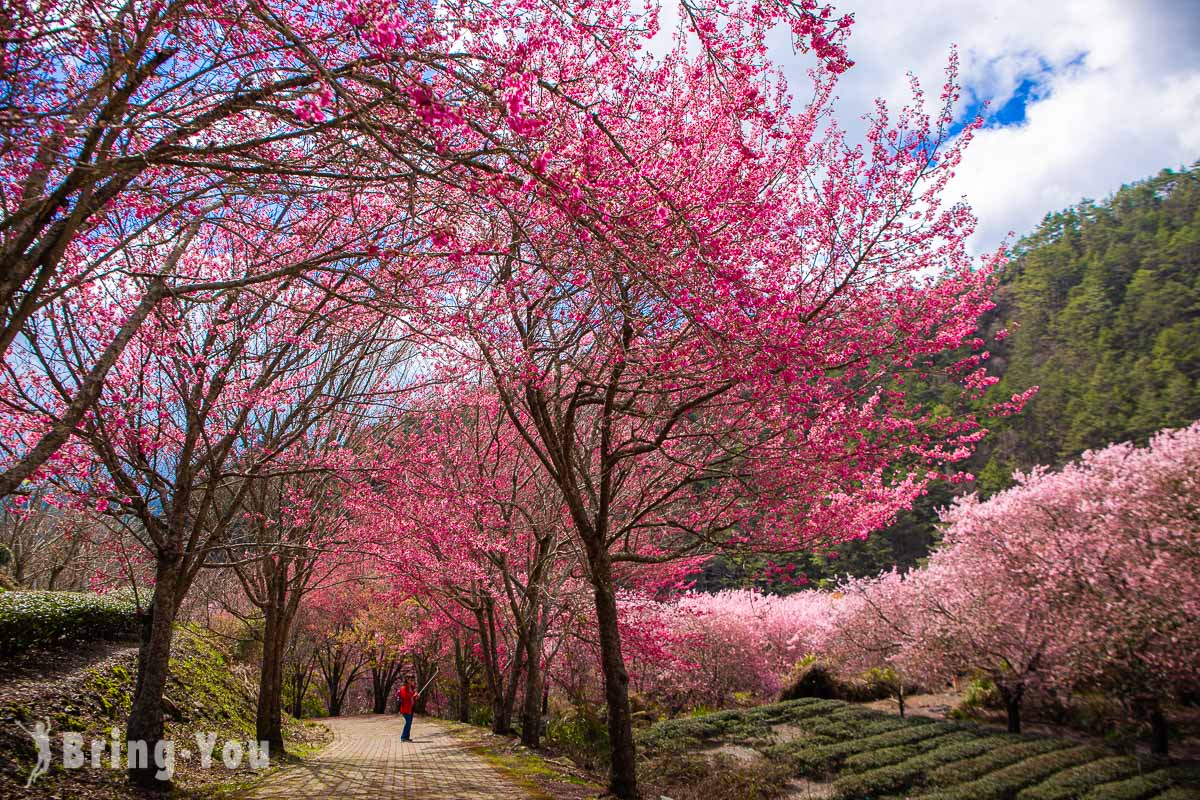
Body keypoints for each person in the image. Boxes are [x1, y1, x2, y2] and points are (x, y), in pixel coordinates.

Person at [396, 676, 419, 742]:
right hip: (405, 708)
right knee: (408, 722)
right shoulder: (403, 688)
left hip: (411, 708)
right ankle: (403, 737)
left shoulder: (411, 688)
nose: (412, 681)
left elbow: (412, 698)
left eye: (413, 680)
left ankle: (406, 737)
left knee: (409, 723)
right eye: (411, 680)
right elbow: (405, 696)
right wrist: (413, 695)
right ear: (407, 680)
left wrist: (416, 697)